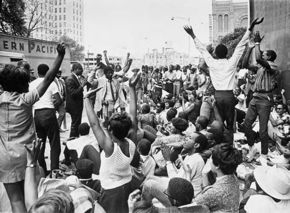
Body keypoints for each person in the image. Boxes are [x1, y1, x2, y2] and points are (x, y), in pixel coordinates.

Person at [0, 43, 65, 213]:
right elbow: (49, 78)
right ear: (22, 85)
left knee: (15, 200)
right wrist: (60, 56)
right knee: (32, 197)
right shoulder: (26, 99)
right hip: (28, 154)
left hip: (5, 156)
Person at [184, 18, 264, 143]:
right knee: (230, 123)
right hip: (229, 96)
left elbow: (203, 50)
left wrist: (192, 35)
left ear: (215, 54)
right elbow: (240, 46)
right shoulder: (231, 62)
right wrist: (250, 28)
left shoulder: (212, 63)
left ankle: (220, 146)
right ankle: (229, 146)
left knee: (218, 122)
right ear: (227, 54)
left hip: (217, 96)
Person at [84, 72, 140, 213]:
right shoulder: (132, 141)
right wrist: (132, 88)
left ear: (111, 130)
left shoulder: (110, 148)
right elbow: (134, 116)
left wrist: (86, 99)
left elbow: (94, 124)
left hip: (111, 191)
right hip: (127, 184)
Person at [243, 31, 280, 164]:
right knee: (246, 125)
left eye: (264, 54)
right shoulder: (260, 67)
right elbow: (245, 64)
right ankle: (252, 148)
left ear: (269, 57)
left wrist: (258, 43)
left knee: (263, 130)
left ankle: (264, 155)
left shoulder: (273, 66)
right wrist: (250, 48)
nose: (262, 54)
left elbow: (259, 59)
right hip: (255, 97)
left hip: (265, 99)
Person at [29, 64, 61, 175]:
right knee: (54, 142)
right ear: (48, 73)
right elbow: (59, 99)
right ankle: (54, 170)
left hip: (36, 115)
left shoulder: (31, 84)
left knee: (40, 144)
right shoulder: (51, 83)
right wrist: (54, 107)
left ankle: (42, 170)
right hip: (48, 113)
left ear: (37, 72)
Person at [194, 143, 242, 212]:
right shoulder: (234, 177)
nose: (209, 161)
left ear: (217, 165)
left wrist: (188, 174)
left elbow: (194, 204)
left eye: (211, 159)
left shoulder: (214, 191)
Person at [131, 178, 209, 213]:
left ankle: (145, 205)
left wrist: (132, 206)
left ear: (174, 201)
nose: (164, 192)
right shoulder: (205, 208)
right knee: (149, 184)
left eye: (166, 193)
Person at [65, 63, 87, 138]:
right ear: (75, 69)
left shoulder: (75, 78)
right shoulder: (70, 79)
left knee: (77, 123)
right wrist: (82, 86)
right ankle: (73, 138)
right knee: (75, 123)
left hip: (77, 105)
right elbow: (73, 93)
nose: (82, 71)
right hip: (74, 106)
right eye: (80, 69)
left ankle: (75, 137)